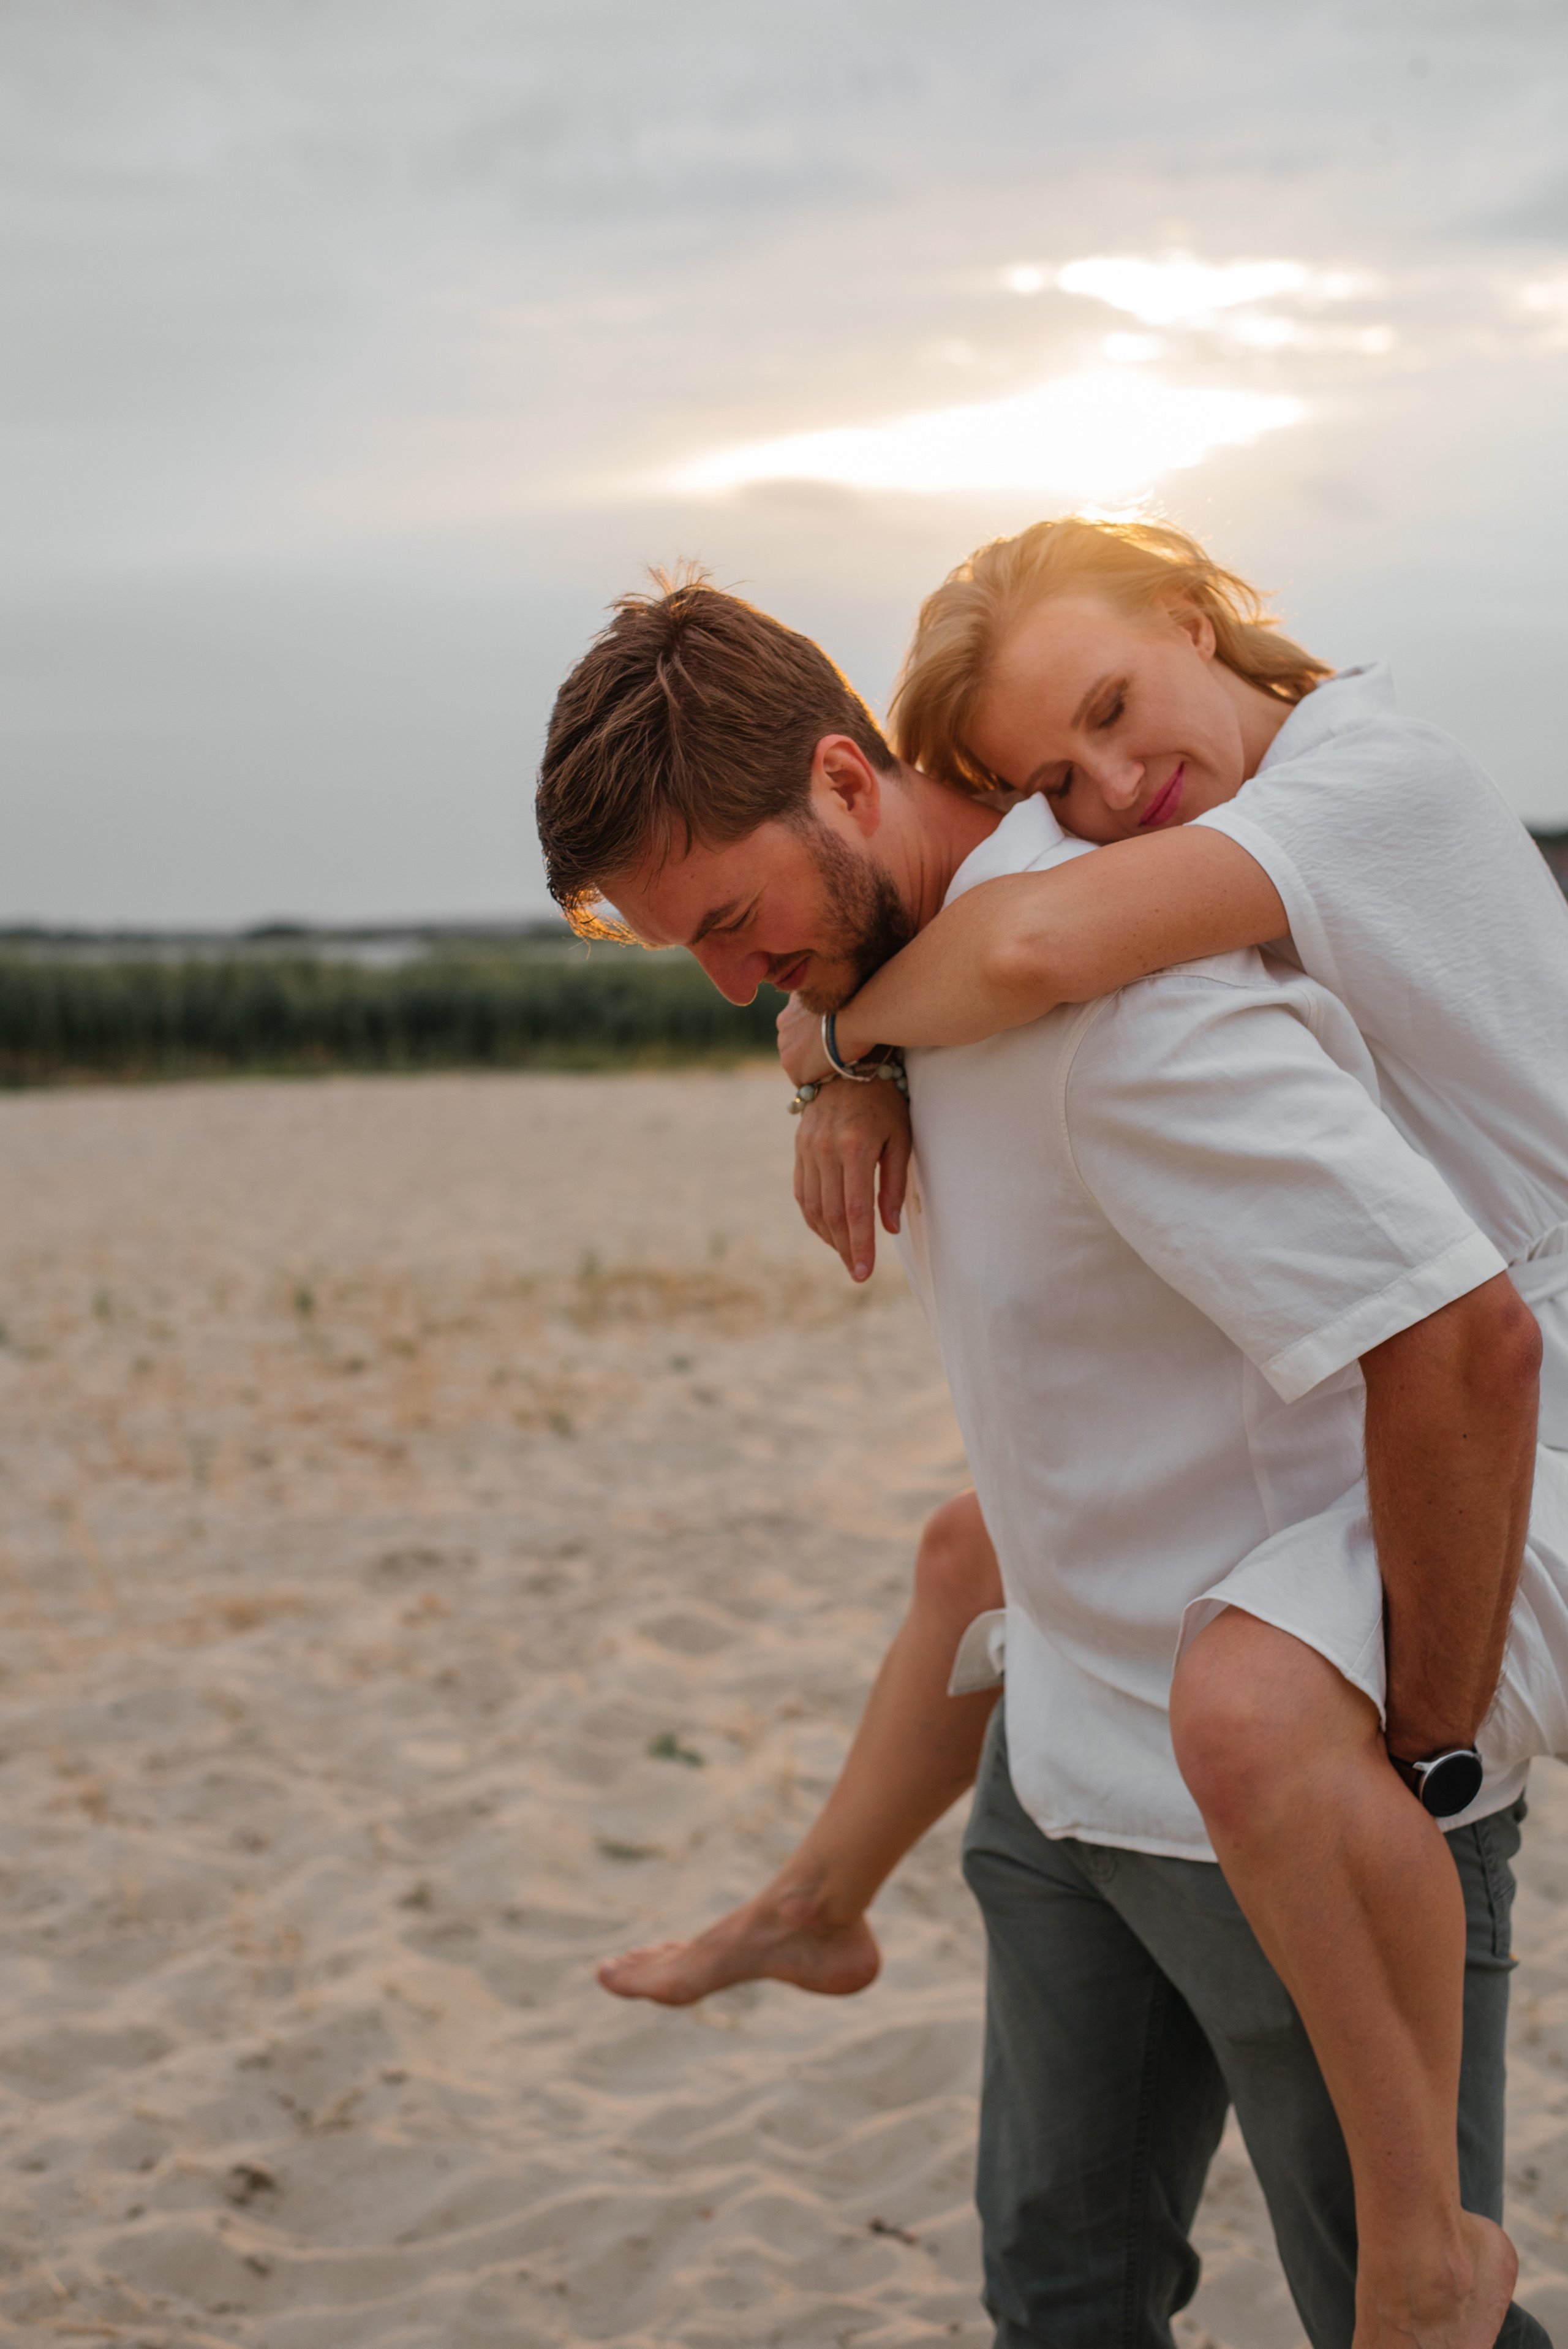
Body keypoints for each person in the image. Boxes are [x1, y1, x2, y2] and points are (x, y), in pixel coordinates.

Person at [535, 571, 1559, 2348]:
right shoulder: (911, 987)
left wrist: (1424, 1751)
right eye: (683, 946)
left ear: (850, 786)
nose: (725, 984)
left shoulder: (1116, 1000)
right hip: (1066, 1764)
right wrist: (838, 1048)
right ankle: (813, 1898)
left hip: (1289, 1798)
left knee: (1401, 2319)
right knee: (1063, 2299)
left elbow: (1463, 1343)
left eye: (728, 919)